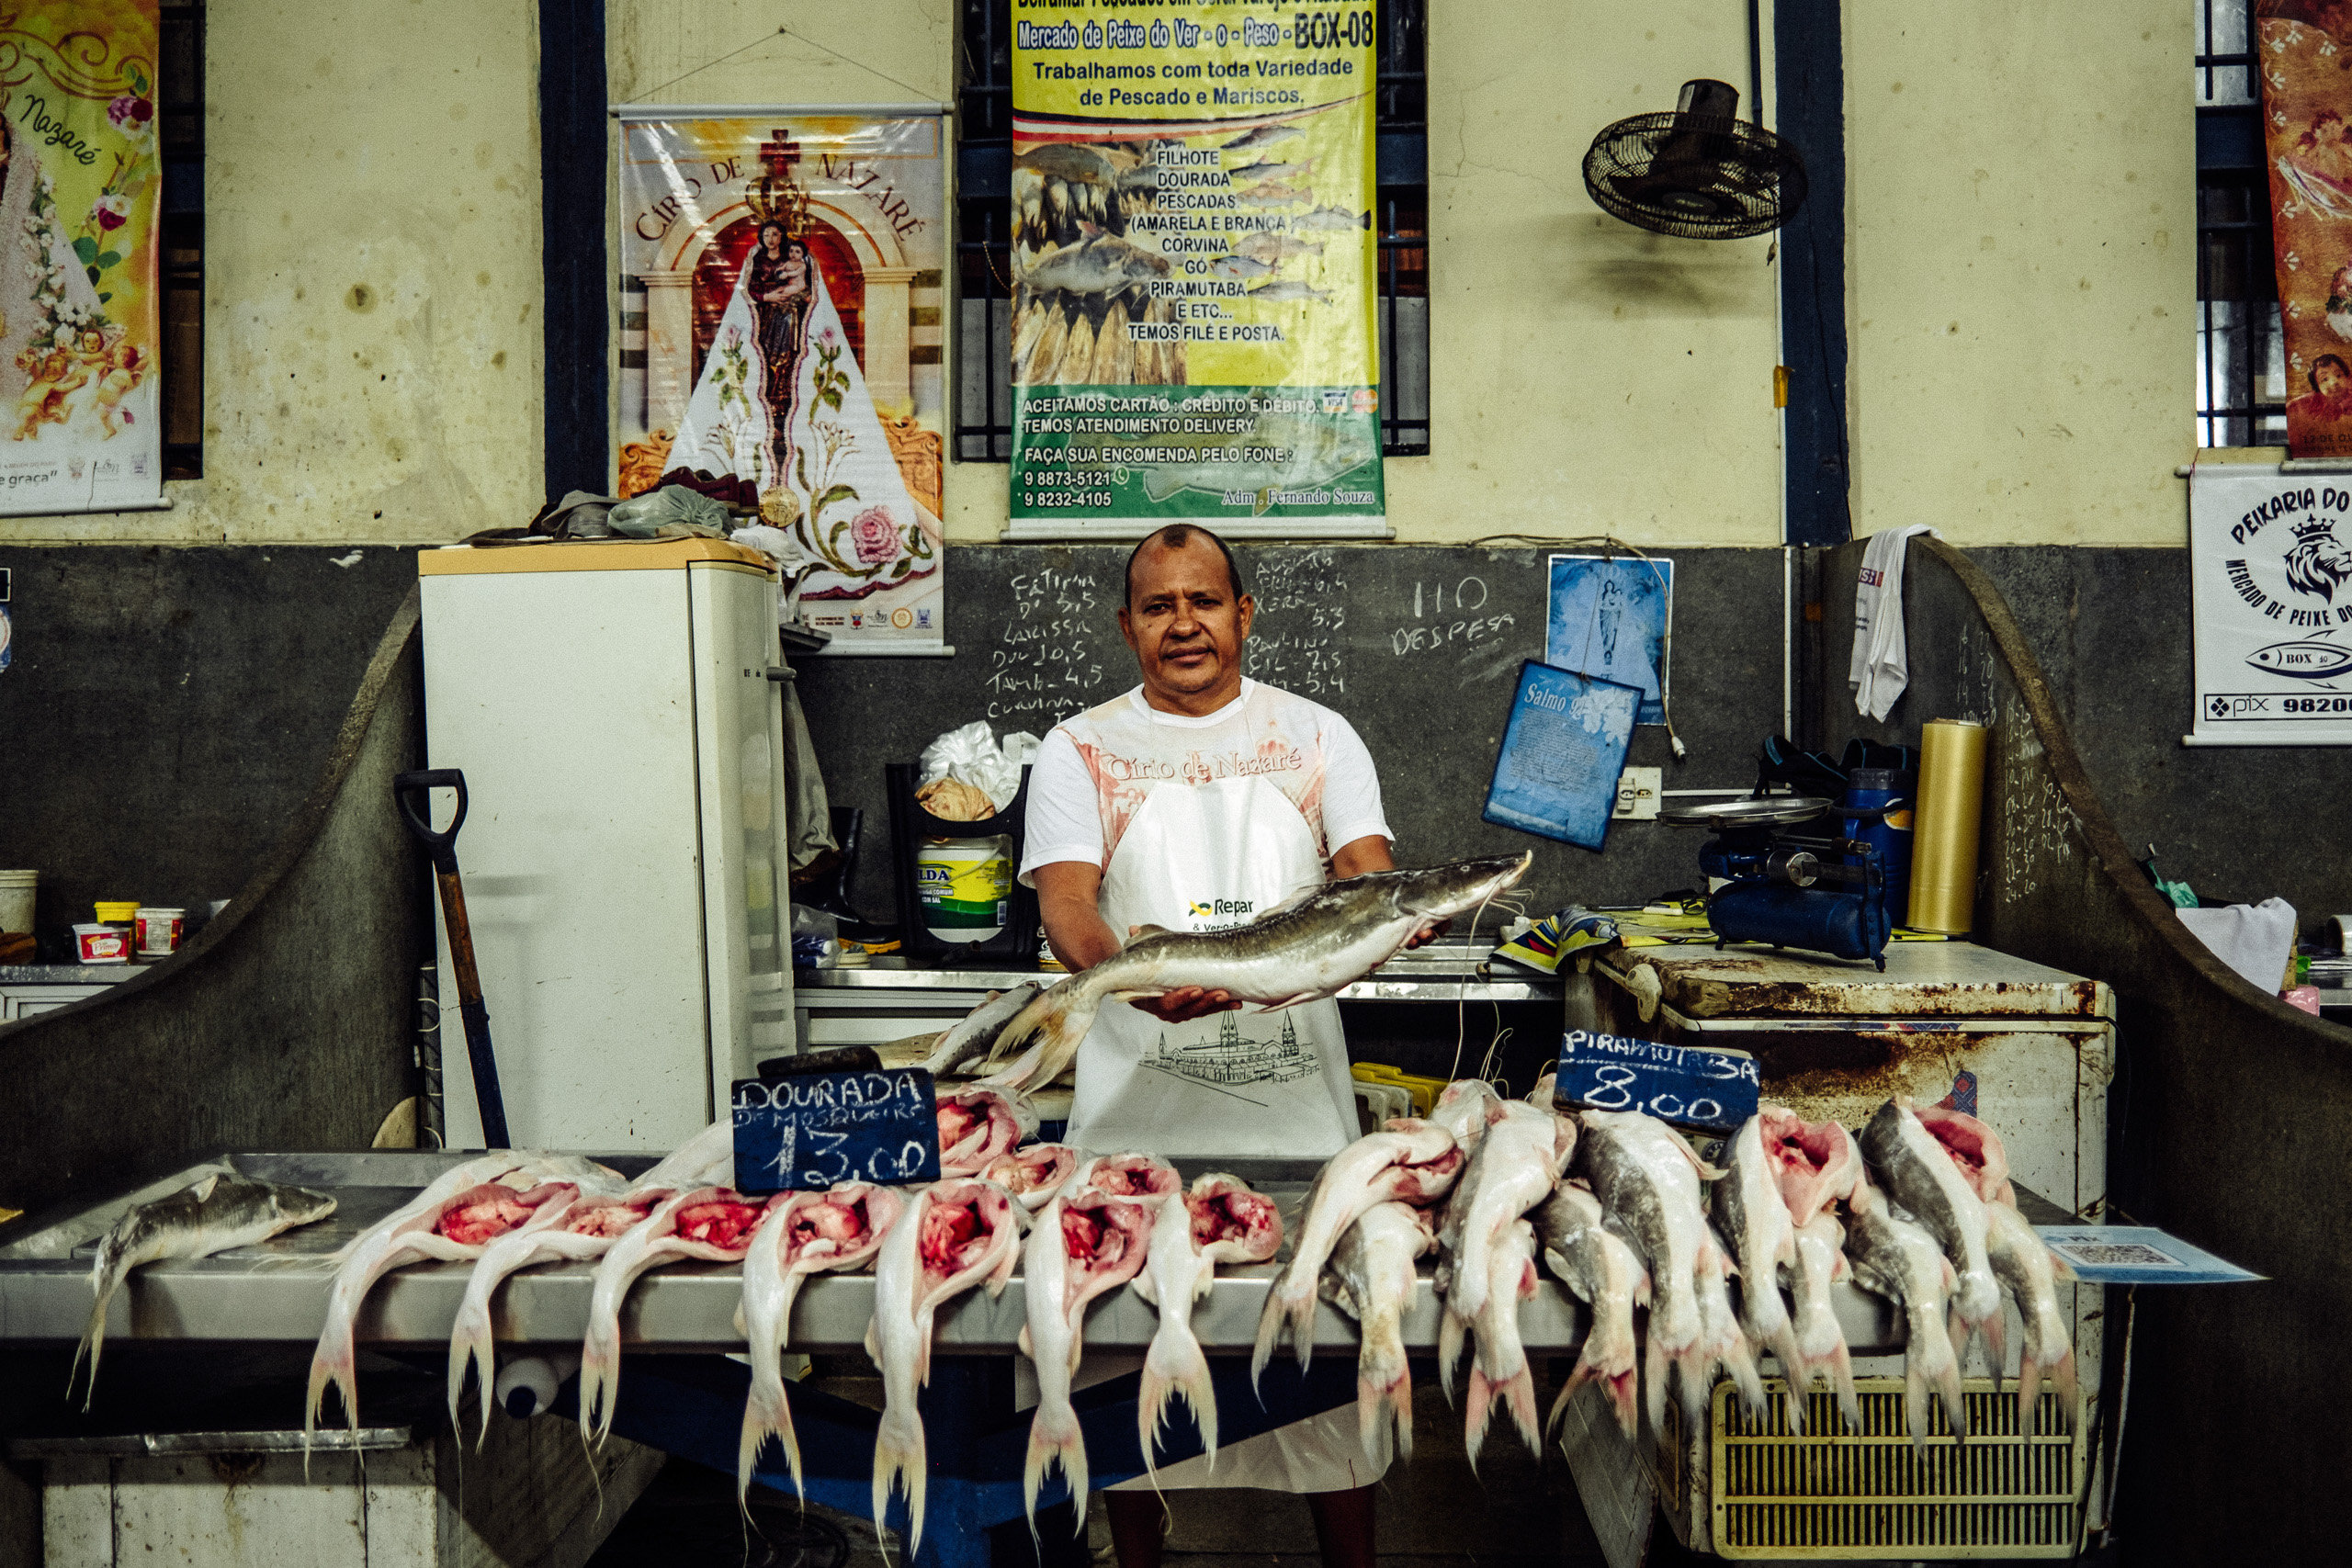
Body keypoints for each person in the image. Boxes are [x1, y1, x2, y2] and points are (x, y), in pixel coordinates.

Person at [1020, 523, 1435, 1568]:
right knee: (1121, 1363)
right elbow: (1068, 904)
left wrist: (1392, 914)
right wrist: (1130, 976)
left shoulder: (1314, 738)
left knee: (1322, 1370)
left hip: (1299, 1121)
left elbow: (1365, 870)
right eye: (1158, 607)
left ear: (1243, 614)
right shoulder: (1080, 749)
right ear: (1126, 627)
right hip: (1135, 1123)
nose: (1183, 625)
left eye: (1203, 601)